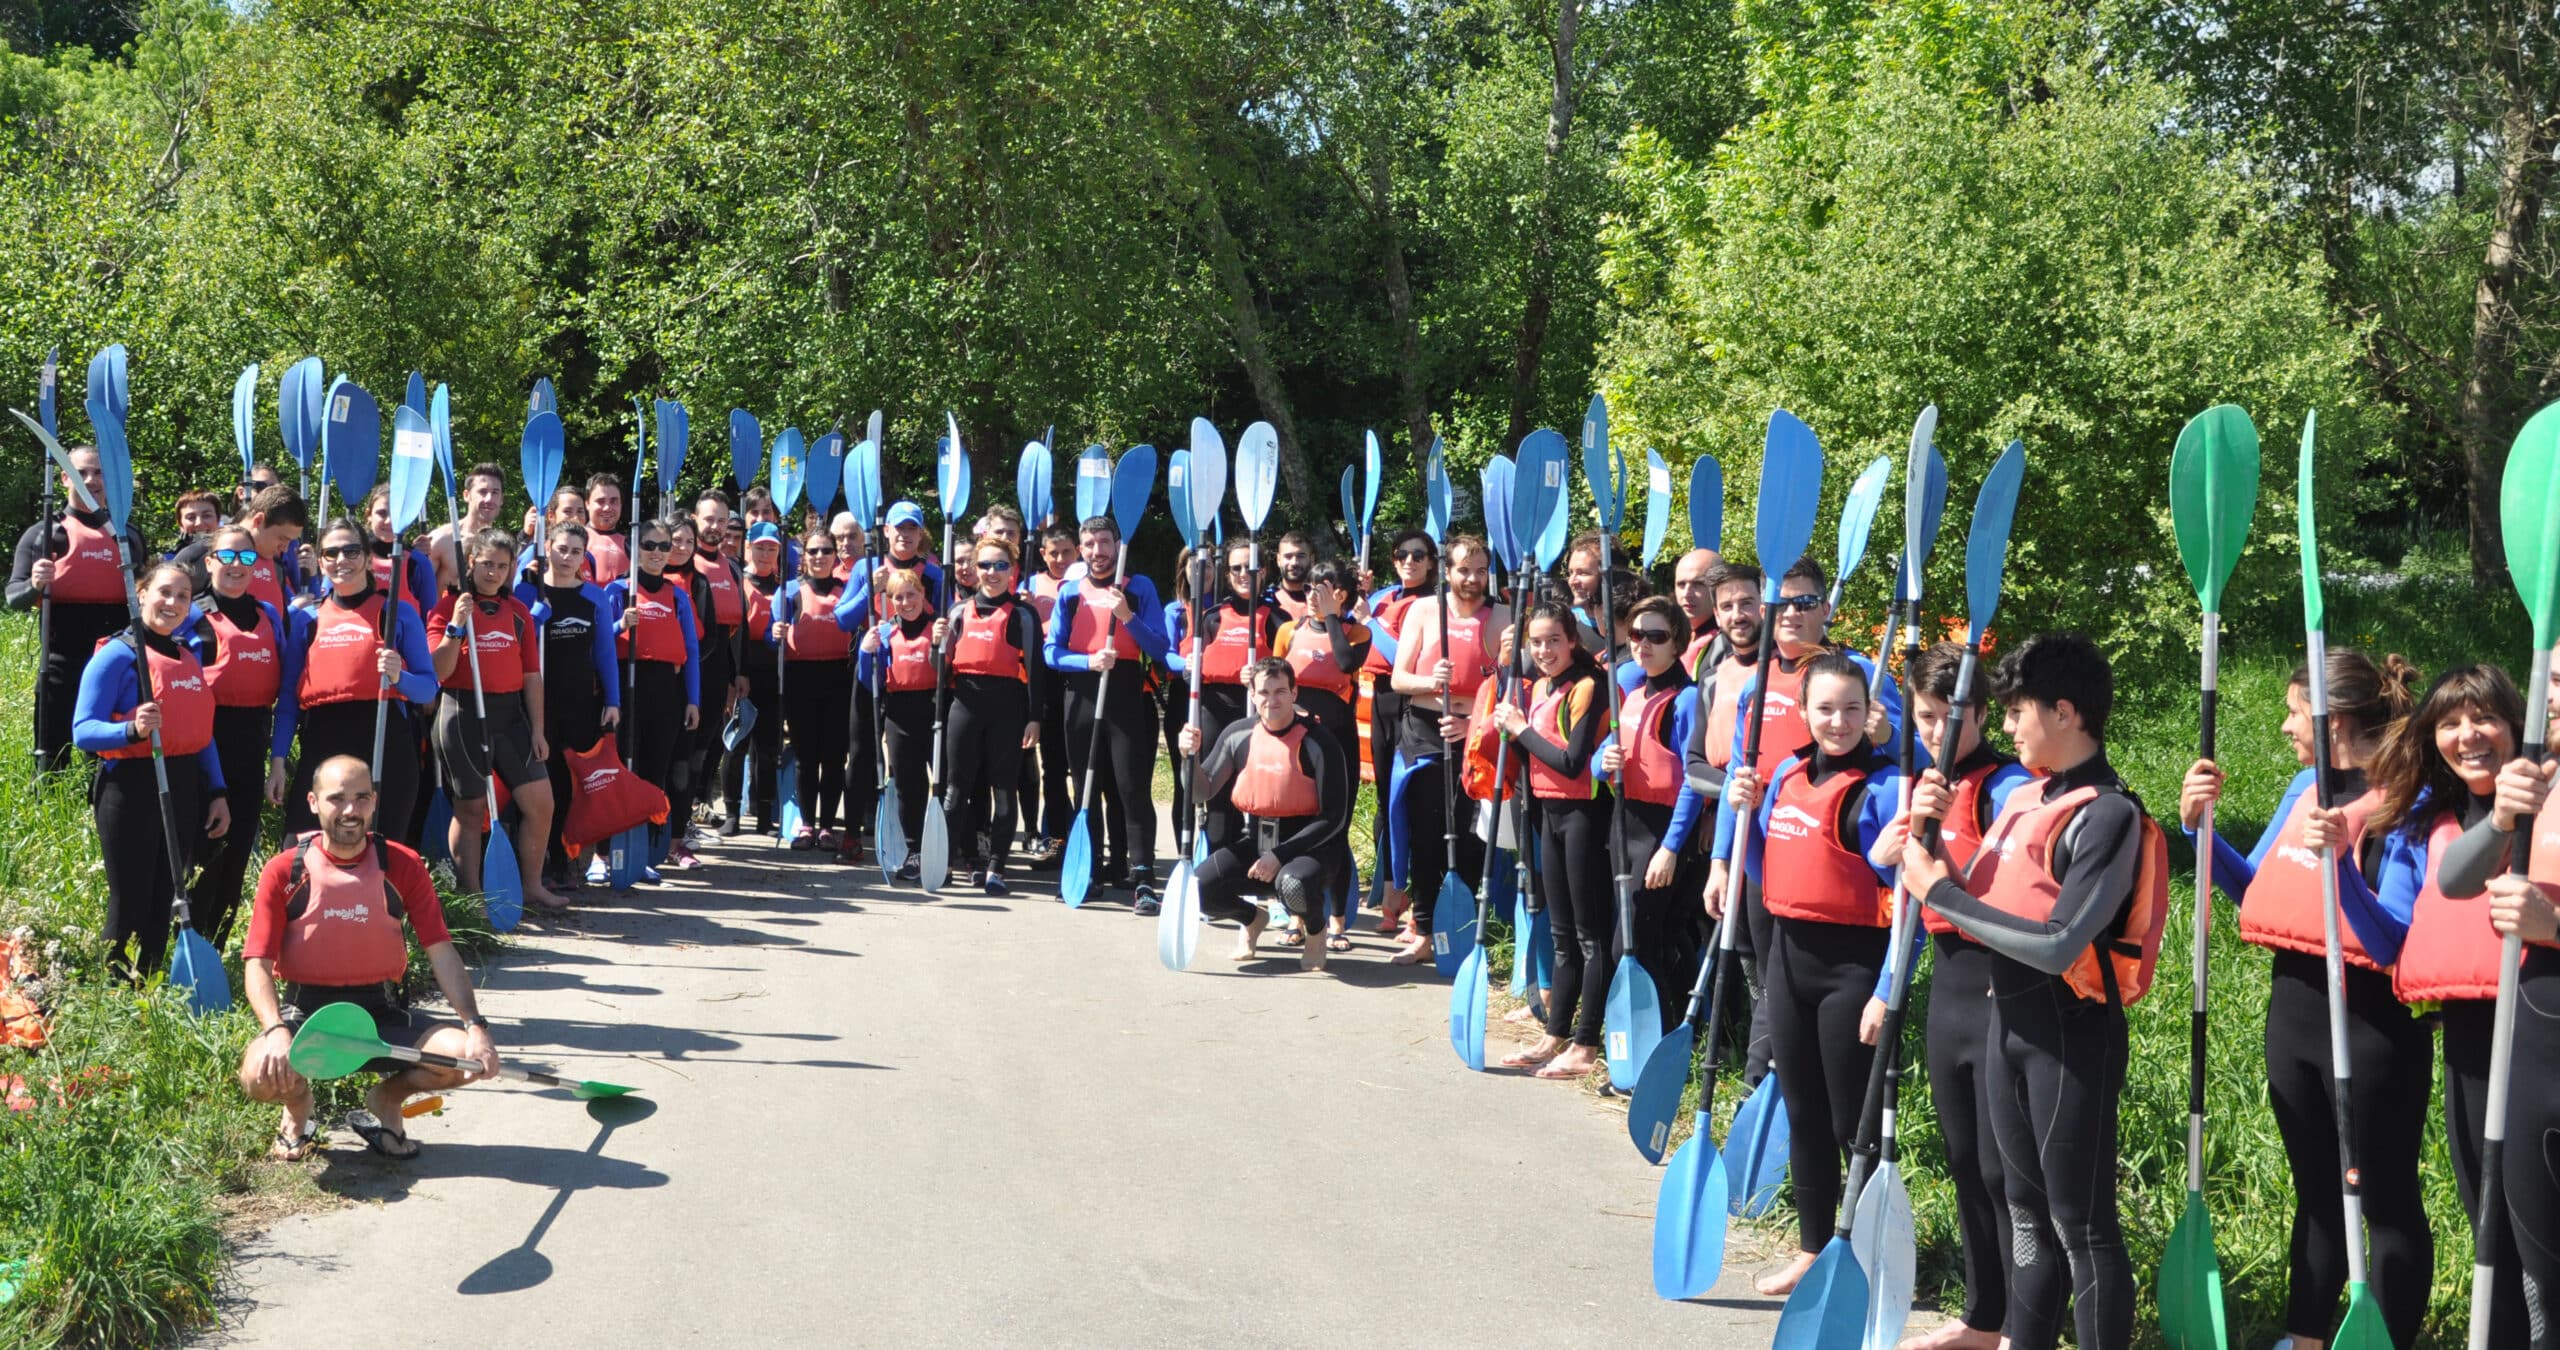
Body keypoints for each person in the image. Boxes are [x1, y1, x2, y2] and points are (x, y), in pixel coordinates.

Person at [1901, 633, 2166, 1350]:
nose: (2010, 725)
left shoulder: (2106, 812)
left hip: (2070, 1035)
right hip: (2006, 1029)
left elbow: (2057, 944)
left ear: (2065, 712)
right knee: (2020, 1209)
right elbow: (1988, 900)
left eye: (2019, 711)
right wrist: (1933, 840)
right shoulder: (2029, 802)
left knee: (2081, 1225)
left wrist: (1941, 895)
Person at [2178, 648, 2431, 1350]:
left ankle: (2388, 1339)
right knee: (2316, 1192)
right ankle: (2307, 1335)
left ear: (2335, 719)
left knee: (2382, 1200)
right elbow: (2254, 891)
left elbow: (2392, 941)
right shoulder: (2303, 786)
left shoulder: (2408, 801)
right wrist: (2200, 831)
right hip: (2292, 1011)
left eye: (2295, 712)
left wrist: (2343, 866)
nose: (2287, 725)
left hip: (2372, 1024)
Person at [1861, 641, 2035, 1350]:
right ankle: (1982, 1317)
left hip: (2002, 984)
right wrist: (1901, 839)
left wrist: (1936, 850)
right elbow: (1888, 878)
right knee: (1965, 1160)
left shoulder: (2010, 783)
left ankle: (2027, 1322)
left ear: (1983, 714)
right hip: (1948, 986)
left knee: (2005, 1174)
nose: (1933, 731)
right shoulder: (1921, 781)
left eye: (1946, 716)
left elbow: (2013, 895)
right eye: (1924, 717)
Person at [1714, 651, 1905, 1293]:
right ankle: (1812, 1247)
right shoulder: (1789, 774)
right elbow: (1773, 875)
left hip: (1853, 968)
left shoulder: (1885, 788)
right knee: (1803, 1112)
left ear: (1869, 713)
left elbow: (1910, 903)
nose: (1838, 720)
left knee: (1853, 1120)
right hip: (1789, 960)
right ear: (1803, 713)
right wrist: (1745, 816)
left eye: (1852, 708)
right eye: (1825, 708)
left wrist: (1885, 991)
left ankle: (1869, 1250)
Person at [2362, 664, 2535, 1347]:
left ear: (2517, 724)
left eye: (2484, 717)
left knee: (2540, 1230)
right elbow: (2450, 883)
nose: (2468, 735)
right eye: (2450, 723)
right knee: (2488, 1222)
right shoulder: (2433, 820)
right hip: (2469, 1036)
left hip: (2541, 1032)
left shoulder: (2550, 805)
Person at [235, 756, 499, 1161]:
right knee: (258, 1076)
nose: (349, 811)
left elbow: (440, 949)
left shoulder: (402, 864)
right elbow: (257, 964)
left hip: (382, 1012)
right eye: (336, 799)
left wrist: (475, 1025)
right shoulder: (285, 870)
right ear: (312, 802)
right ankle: (298, 1107)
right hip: (304, 1013)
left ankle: (386, 1100)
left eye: (361, 799)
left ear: (374, 802)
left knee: (466, 1060)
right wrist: (275, 1030)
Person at [74, 561, 232, 976]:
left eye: (182, 596)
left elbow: (201, 732)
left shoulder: (185, 655)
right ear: (141, 594)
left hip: (182, 787)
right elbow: (83, 730)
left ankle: (151, 988)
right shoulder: (116, 655)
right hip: (130, 789)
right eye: (164, 592)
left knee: (166, 894)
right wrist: (131, 729)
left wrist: (217, 792)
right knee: (131, 900)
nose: (173, 602)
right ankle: (112, 994)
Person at [1492, 601, 1612, 1075]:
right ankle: (1555, 1033)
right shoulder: (1539, 686)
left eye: (1553, 641)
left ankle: (1586, 1044)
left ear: (1573, 641)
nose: (1544, 650)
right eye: (1536, 642)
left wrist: (1519, 730)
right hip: (1547, 815)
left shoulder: (1589, 687)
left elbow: (1571, 762)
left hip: (1585, 816)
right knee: (1561, 935)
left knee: (1588, 936)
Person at [268, 519, 439, 839]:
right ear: (320, 561)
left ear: (366, 556)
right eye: (331, 553)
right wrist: (278, 760)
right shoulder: (306, 618)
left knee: (379, 857)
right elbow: (289, 700)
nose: (341, 560)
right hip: (321, 742)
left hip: (385, 743)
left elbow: (429, 687)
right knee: (301, 849)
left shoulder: (397, 614)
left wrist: (398, 675)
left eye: (351, 551)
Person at [1179, 658, 1351, 972]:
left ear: (1294, 693)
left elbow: (1335, 816)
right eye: (1264, 692)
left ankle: (1315, 930)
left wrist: (1280, 854)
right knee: (1198, 891)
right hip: (1256, 844)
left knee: (1293, 884)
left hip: (1310, 851)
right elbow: (1201, 792)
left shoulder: (1318, 741)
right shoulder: (1238, 734)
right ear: (1253, 695)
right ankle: (1253, 919)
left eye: (1280, 692)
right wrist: (1187, 757)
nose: (1272, 700)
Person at [1386, 533, 1504, 965]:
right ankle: (1420, 929)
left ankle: (1462, 929)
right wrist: (1430, 680)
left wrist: (1472, 718)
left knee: (1472, 836)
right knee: (1426, 833)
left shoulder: (1503, 617)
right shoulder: (1422, 611)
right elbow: (1399, 679)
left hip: (1475, 732)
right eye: (1464, 570)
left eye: (1480, 571)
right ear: (1447, 572)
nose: (1472, 579)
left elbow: (1515, 689)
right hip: (1425, 726)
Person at [427, 530, 561, 909]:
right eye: (486, 564)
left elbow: (532, 676)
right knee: (470, 810)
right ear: (470, 562)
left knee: (541, 803)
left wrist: (538, 729)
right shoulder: (444, 608)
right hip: (461, 713)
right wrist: (455, 624)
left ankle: (531, 885)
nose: (493, 573)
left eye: (502, 566)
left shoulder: (518, 612)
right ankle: (471, 898)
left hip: (510, 716)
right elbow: (439, 669)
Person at [1042, 512, 1170, 908]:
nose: (1098, 552)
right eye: (1091, 545)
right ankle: (1090, 871)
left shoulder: (1139, 588)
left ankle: (1142, 876)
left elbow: (1160, 649)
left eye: (1105, 544)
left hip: (1127, 695)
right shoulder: (1070, 591)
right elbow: (1052, 652)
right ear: (1082, 549)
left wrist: (1127, 618)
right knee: (1085, 789)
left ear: (1118, 546)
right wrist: (1089, 662)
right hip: (1081, 695)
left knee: (1132, 790)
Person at [1596, 595, 1709, 1025]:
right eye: (1637, 635)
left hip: (1660, 832)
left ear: (1677, 642)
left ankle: (1661, 1039)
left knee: (1636, 944)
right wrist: (1602, 762)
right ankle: (1666, 1033)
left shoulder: (1685, 700)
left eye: (1656, 637)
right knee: (1641, 940)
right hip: (1626, 825)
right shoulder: (1634, 692)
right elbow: (1598, 761)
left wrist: (1671, 847)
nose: (1642, 644)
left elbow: (1694, 782)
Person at [184, 526, 297, 947]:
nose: (237, 566)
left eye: (247, 558)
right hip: (201, 752)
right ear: (209, 561)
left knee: (233, 866)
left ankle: (215, 956)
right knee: (202, 863)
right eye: (227, 556)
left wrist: (278, 761)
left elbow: (286, 695)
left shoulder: (269, 615)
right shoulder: (192, 616)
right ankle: (186, 955)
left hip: (251, 750)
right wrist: (214, 784)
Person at [9, 443, 151, 771]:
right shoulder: (45, 534)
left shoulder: (127, 535)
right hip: (59, 662)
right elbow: (14, 598)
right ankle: (50, 808)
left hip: (114, 661)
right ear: (64, 479)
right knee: (52, 757)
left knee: (104, 758)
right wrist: (35, 585)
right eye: (80, 472)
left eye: (99, 472)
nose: (90, 480)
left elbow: (148, 595)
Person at [1272, 558, 1371, 949]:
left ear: (1341, 595)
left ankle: (1337, 923)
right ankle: (1296, 918)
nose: (1312, 595)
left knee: (1335, 830)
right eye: (1311, 587)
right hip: (1296, 747)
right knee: (1295, 829)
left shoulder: (1356, 632)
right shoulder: (1288, 630)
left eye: (1323, 588)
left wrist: (1333, 618)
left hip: (1338, 745)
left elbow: (1346, 663)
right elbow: (1274, 678)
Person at [516, 521, 619, 894]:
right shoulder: (528, 590)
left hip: (581, 704)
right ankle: (539, 863)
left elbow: (606, 653)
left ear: (584, 557)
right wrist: (535, 613)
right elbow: (515, 636)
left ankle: (566, 862)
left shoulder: (595, 597)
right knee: (545, 786)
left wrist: (613, 700)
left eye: (576, 552)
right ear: (547, 548)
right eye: (560, 549)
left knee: (574, 789)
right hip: (538, 704)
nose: (567, 558)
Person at [940, 535, 1047, 893]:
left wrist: (1035, 717)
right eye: (984, 565)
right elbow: (938, 672)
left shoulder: (1023, 614)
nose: (991, 572)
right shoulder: (957, 612)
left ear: (1013, 569)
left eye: (1000, 565)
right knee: (956, 790)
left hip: (1008, 708)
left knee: (1003, 791)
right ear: (973, 569)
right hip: (965, 706)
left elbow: (1036, 669)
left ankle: (997, 867)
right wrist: (938, 645)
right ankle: (949, 859)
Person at [606, 518, 702, 885]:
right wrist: (619, 626)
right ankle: (606, 853)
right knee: (621, 773)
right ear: (635, 549)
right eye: (650, 545)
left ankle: (642, 854)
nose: (658, 553)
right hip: (627, 686)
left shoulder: (678, 595)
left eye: (664, 546)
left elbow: (691, 650)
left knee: (653, 776)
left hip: (666, 691)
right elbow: (601, 643)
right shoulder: (618, 591)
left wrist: (693, 699)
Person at [1357, 527, 1436, 933]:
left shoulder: (1432, 605)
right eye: (1402, 554)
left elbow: (1402, 656)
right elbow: (1354, 638)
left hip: (1411, 702)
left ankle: (1413, 903)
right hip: (1378, 702)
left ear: (1431, 562)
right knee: (1386, 801)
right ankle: (1389, 891)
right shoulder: (1380, 597)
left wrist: (1369, 621)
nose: (1409, 561)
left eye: (1418, 555)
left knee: (1411, 803)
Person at [671, 493, 749, 864]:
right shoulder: (683, 564)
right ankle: (670, 827)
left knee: (702, 752)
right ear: (695, 520)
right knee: (680, 753)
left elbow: (740, 628)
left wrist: (737, 675)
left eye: (721, 520)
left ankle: (687, 818)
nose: (714, 526)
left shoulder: (732, 568)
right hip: (684, 668)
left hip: (719, 670)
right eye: (708, 519)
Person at [769, 528, 853, 849]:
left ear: (835, 555)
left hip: (837, 678)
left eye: (826, 551)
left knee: (833, 757)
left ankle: (828, 827)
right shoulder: (789, 591)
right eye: (814, 551)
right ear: (804, 556)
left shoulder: (847, 590)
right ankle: (806, 825)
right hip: (800, 677)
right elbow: (770, 636)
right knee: (806, 757)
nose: (820, 557)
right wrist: (774, 632)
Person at [856, 569, 938, 879]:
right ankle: (913, 849)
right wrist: (866, 652)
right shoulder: (885, 634)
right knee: (908, 786)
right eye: (898, 597)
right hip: (899, 714)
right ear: (889, 602)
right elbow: (870, 682)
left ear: (922, 595)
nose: (905, 602)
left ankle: (946, 847)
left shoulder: (937, 629)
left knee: (942, 783)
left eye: (911, 594)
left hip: (934, 711)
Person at [1018, 524, 1077, 866]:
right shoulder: (1029, 587)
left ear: (1077, 552)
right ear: (1042, 553)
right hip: (1046, 685)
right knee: (1053, 770)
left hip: (1078, 681)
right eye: (1052, 553)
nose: (1059, 559)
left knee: (1084, 771)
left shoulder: (1085, 584)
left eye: (1066, 552)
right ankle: (1056, 839)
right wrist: (1024, 609)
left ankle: (1093, 842)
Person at [725, 522, 786, 836]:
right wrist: (738, 674)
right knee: (736, 746)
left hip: (773, 675)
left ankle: (765, 816)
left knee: (767, 748)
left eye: (771, 548)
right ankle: (732, 814)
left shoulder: (784, 586)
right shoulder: (739, 582)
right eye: (760, 547)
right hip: (743, 673)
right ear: (748, 547)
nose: (765, 554)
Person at [174, 484, 308, 616]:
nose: (285, 548)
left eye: (290, 541)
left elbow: (281, 630)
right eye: (282, 538)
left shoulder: (277, 568)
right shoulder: (199, 556)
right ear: (258, 520)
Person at [423, 462, 507, 597]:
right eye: (482, 492)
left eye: (495, 493)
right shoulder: (442, 540)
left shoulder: (502, 547)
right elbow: (418, 590)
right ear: (466, 495)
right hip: (446, 616)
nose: (489, 499)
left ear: (502, 499)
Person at [585, 473, 628, 585]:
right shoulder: (573, 539)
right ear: (587, 504)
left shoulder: (631, 546)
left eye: (614, 501)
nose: (607, 508)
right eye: (601, 501)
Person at [1271, 532, 1316, 623]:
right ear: (1278, 560)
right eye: (1288, 556)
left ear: (1312, 560)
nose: (1294, 563)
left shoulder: (1323, 601)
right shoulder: (1268, 601)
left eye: (1301, 556)